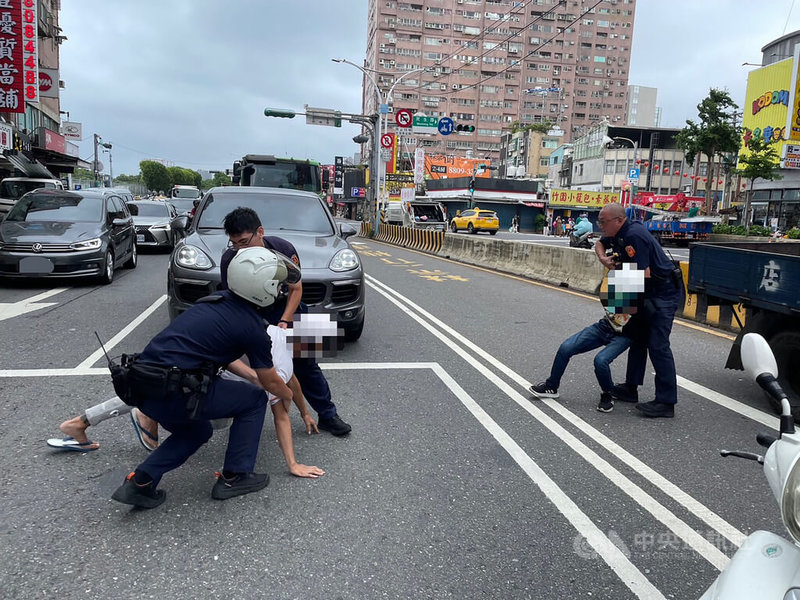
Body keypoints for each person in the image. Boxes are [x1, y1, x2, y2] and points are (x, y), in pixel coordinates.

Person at [109, 247, 297, 508]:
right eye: (276, 285)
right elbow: (270, 382)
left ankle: (140, 482)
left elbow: (223, 354)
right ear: (262, 288)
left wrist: (253, 377)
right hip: (176, 391)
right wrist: (287, 395)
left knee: (196, 431)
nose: (280, 291)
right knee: (254, 399)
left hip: (142, 386)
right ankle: (235, 475)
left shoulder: (215, 302)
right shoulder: (252, 327)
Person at [47, 322, 326, 479]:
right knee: (215, 419)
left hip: (194, 354)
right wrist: (292, 463)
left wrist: (304, 413)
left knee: (153, 386)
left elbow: (295, 389)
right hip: (213, 376)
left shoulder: (276, 333)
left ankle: (80, 422)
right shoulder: (282, 368)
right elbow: (281, 413)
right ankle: (148, 416)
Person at [220, 207, 352, 436]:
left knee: (308, 364)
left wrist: (284, 321)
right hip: (253, 314)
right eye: (235, 243)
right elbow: (232, 298)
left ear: (260, 232)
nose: (240, 248)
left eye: (244, 241)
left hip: (288, 308)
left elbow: (297, 288)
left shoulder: (283, 249)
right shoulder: (229, 259)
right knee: (259, 367)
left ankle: (328, 415)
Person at [594, 203, 683, 418]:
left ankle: (666, 402)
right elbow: (599, 243)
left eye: (603, 222)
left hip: (662, 292)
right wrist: (603, 258)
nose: (601, 226)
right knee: (636, 337)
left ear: (619, 220)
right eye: (600, 222)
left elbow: (644, 273)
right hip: (641, 290)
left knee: (658, 345)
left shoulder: (634, 236)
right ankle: (630, 388)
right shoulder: (617, 233)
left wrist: (616, 276)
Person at [529, 264, 646, 412]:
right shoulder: (616, 276)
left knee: (601, 361)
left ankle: (607, 394)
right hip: (604, 326)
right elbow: (602, 246)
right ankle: (551, 386)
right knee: (566, 348)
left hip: (624, 335)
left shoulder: (642, 287)